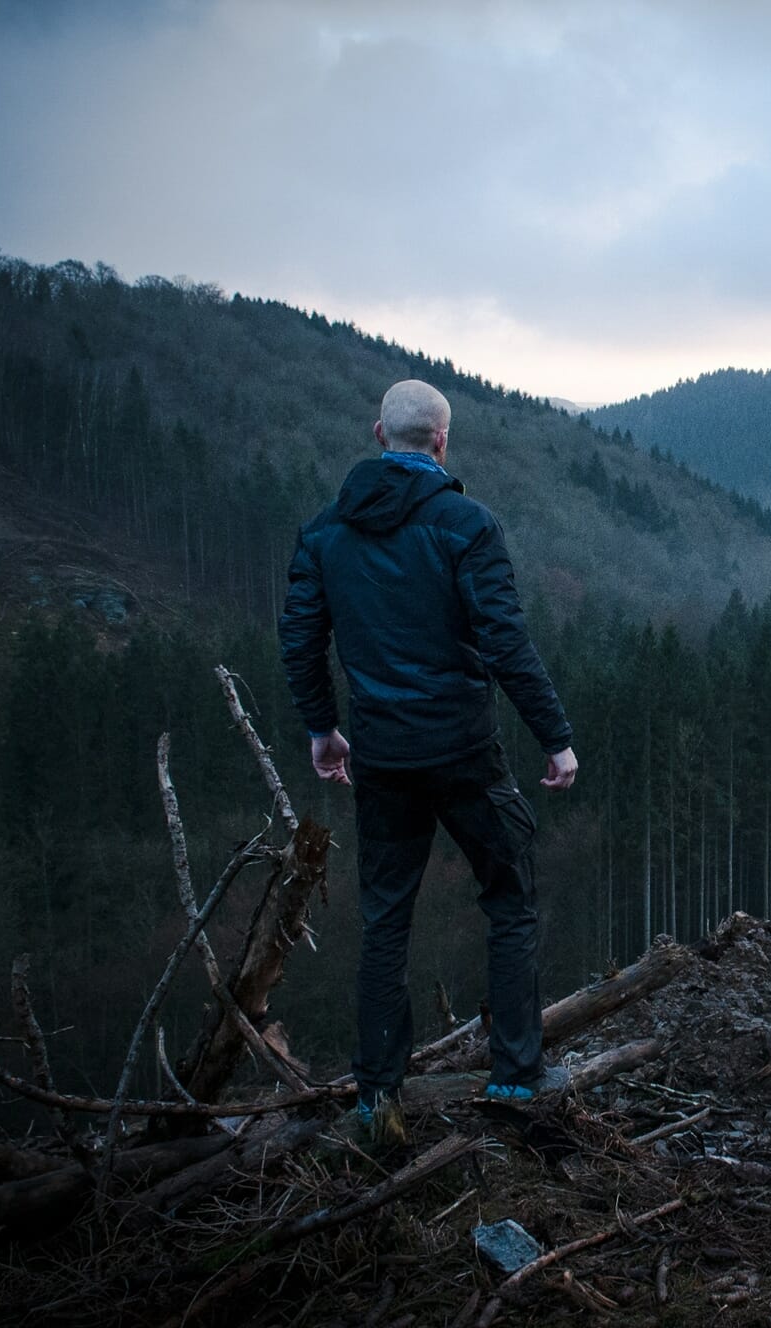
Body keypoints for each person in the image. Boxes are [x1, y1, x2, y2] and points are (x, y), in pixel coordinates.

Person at [280, 379, 579, 1144]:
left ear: (379, 433)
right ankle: (515, 1077)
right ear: (441, 441)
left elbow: (301, 641)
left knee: (384, 921)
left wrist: (323, 729)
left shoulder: (323, 533)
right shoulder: (466, 524)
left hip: (381, 756)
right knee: (509, 897)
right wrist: (555, 736)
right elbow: (505, 641)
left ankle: (379, 1098)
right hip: (464, 751)